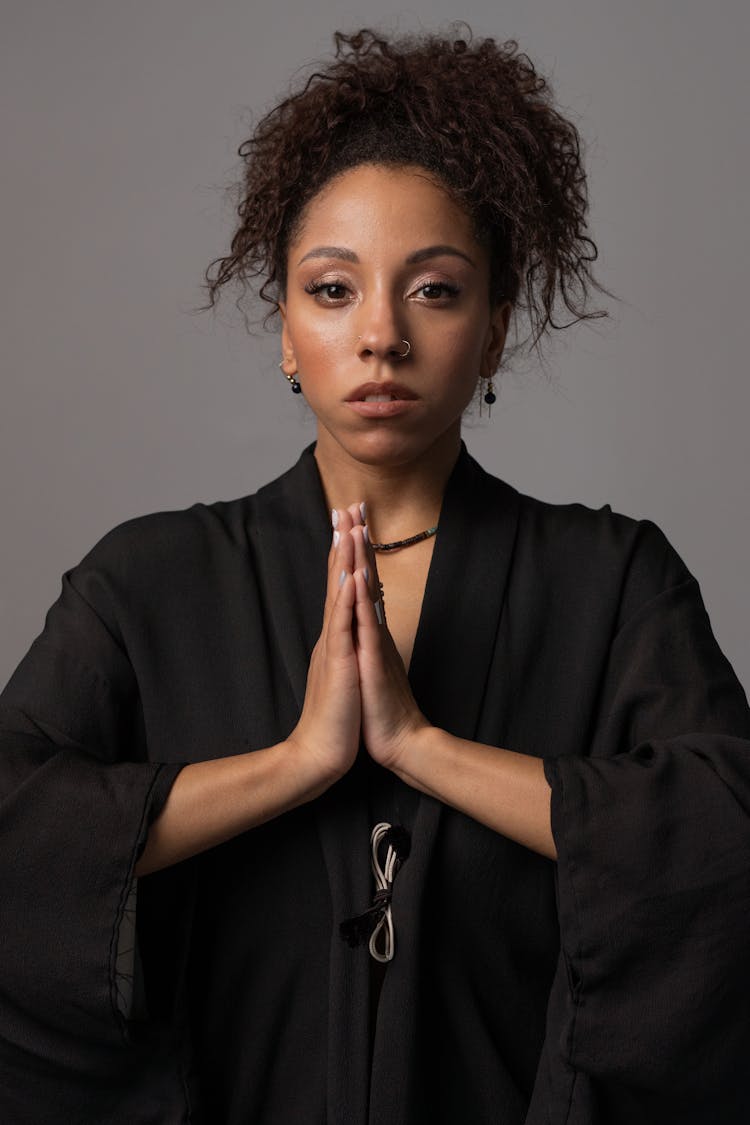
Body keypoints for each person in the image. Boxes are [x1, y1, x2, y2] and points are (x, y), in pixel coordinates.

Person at [1, 26, 748, 1125]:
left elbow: (724, 837)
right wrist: (297, 763)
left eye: (436, 292)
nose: (382, 338)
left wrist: (424, 751)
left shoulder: (611, 580)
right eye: (335, 289)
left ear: (496, 330)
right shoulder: (146, 581)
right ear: (286, 329)